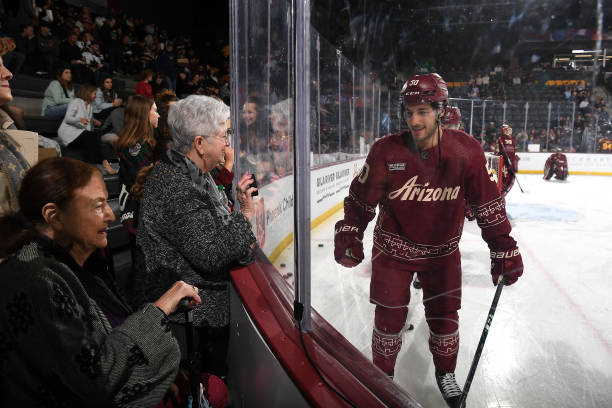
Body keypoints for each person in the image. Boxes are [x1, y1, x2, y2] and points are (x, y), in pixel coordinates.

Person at [334, 73, 524, 408]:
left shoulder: (466, 151)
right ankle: (383, 377)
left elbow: (488, 204)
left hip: (442, 255)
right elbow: (361, 199)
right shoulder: (385, 150)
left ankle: (445, 372)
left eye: (423, 110)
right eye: (409, 111)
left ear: (440, 109)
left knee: (445, 317)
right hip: (392, 251)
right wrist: (351, 230)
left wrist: (503, 246)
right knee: (389, 318)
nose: (414, 119)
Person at [0, 157, 202, 406]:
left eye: (107, 202)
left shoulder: (82, 260)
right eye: (97, 206)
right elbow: (95, 377)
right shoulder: (37, 279)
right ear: (53, 216)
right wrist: (159, 309)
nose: (109, 214)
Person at [130, 95, 257, 378]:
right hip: (188, 324)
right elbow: (212, 253)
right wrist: (246, 215)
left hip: (198, 318)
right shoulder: (176, 186)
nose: (227, 143)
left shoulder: (196, 173)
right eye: (223, 135)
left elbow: (225, 233)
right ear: (199, 144)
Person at [115, 95, 159, 252]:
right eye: (155, 111)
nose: (158, 115)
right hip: (138, 213)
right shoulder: (136, 146)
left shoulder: (143, 142)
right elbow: (143, 182)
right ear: (144, 114)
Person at [57, 83, 116, 175]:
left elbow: (88, 126)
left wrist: (94, 121)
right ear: (87, 93)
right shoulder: (76, 102)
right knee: (91, 137)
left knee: (93, 137)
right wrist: (79, 119)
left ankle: (94, 166)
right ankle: (104, 164)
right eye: (94, 93)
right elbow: (68, 118)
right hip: (68, 132)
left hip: (80, 133)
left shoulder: (90, 107)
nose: (95, 96)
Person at [495, 124, 520, 197]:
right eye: (508, 130)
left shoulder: (500, 139)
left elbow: (497, 152)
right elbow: (514, 152)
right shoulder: (512, 140)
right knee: (509, 179)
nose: (509, 131)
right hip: (510, 164)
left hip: (503, 163)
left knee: (503, 180)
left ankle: (499, 194)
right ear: (504, 130)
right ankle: (500, 195)